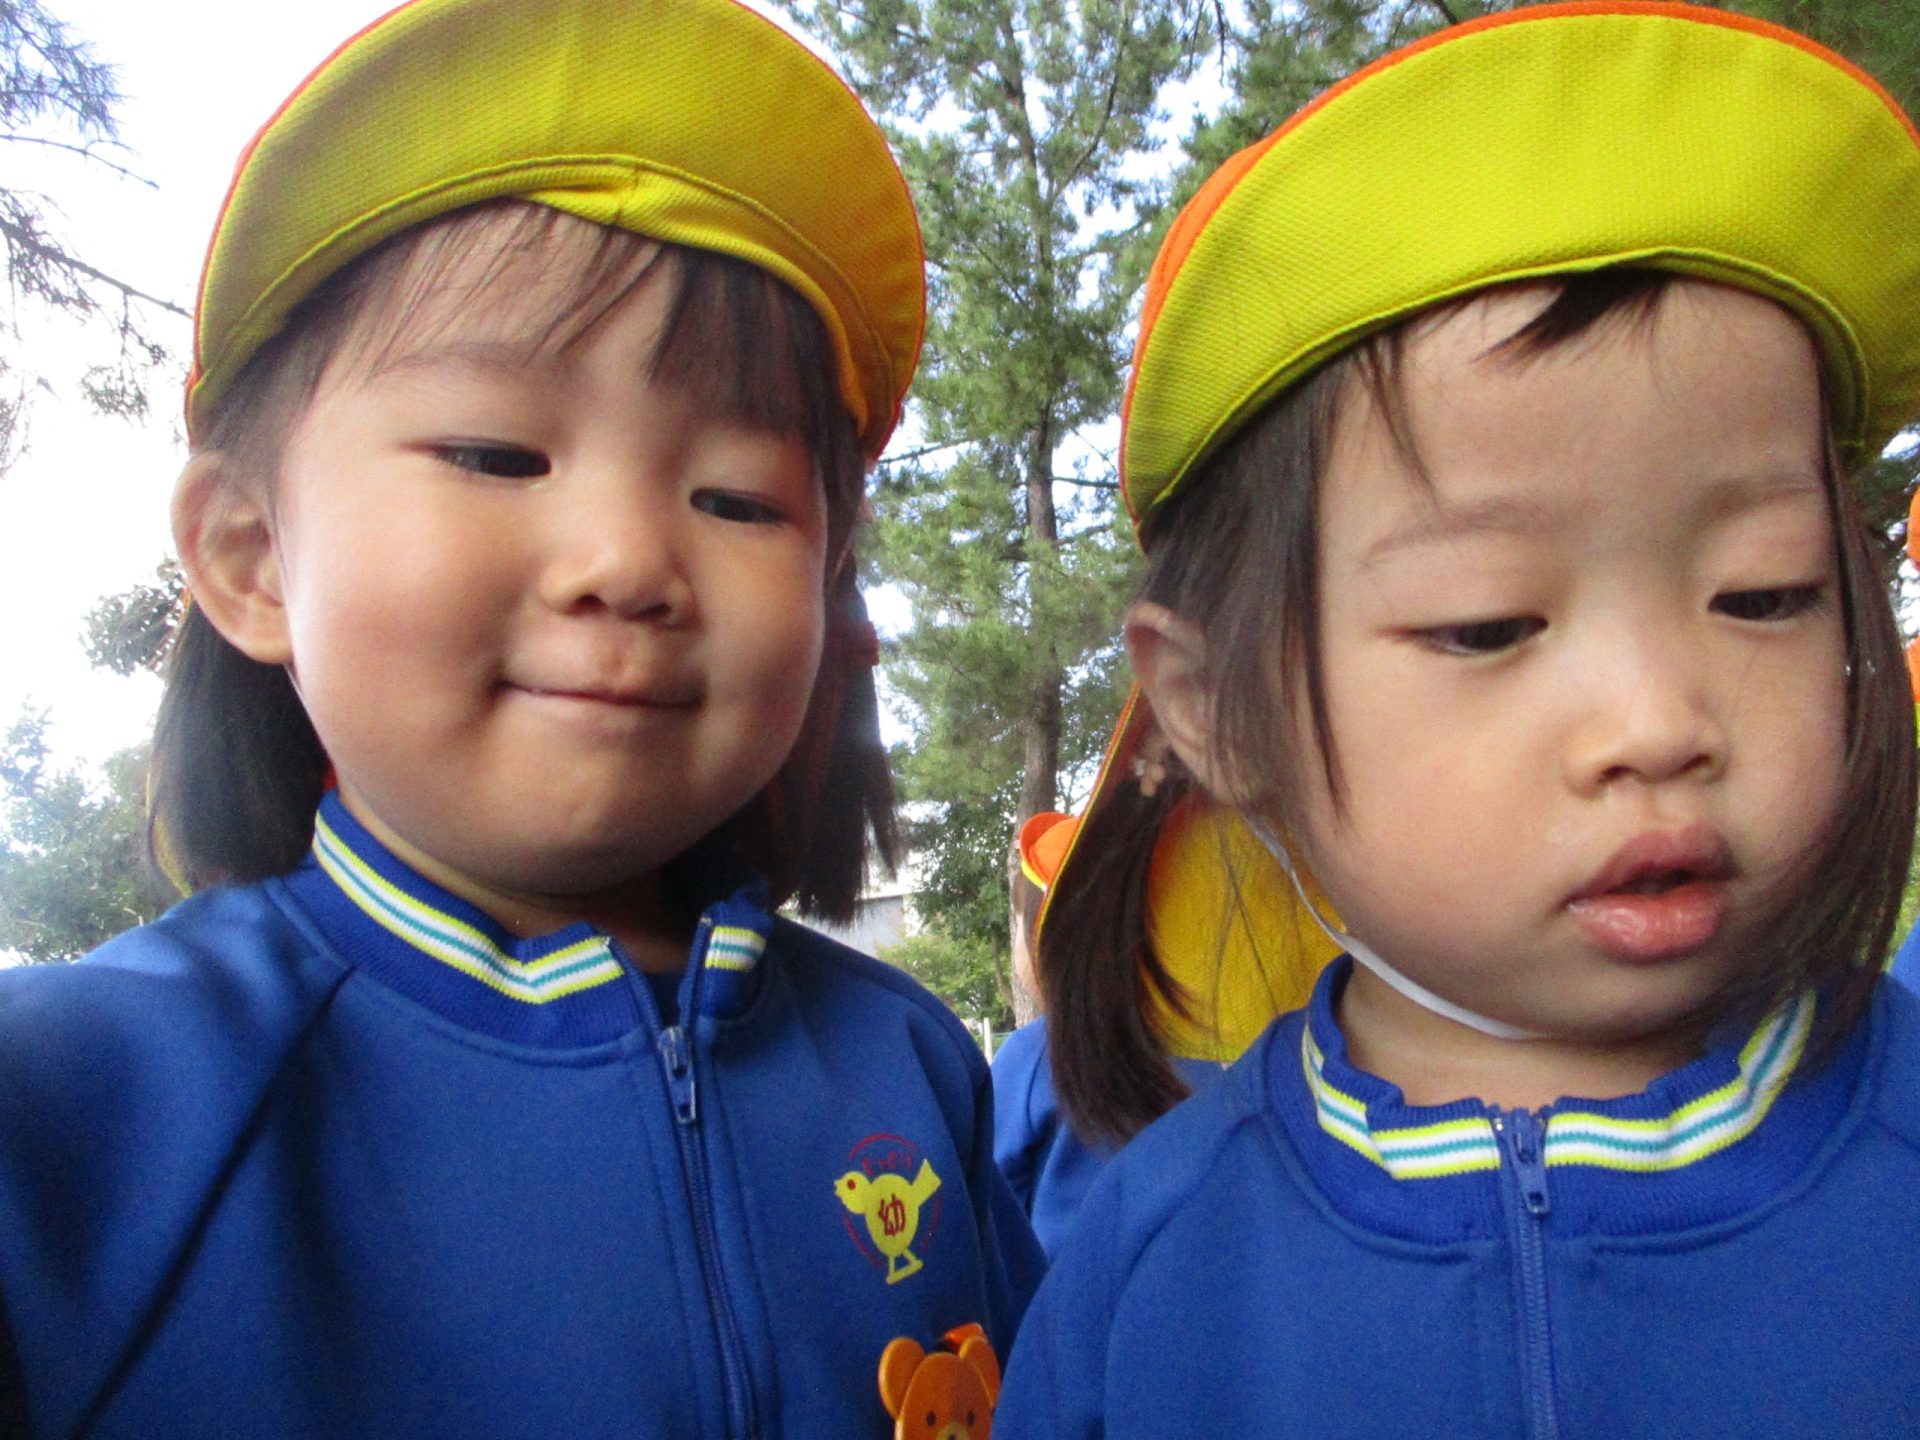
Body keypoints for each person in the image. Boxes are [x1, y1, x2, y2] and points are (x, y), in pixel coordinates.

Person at [0, 0, 1043, 1434]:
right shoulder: (77, 1108)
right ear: (250, 556)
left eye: (737, 498)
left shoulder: (909, 1062)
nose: (626, 560)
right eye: (497, 454)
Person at [997, 5, 1920, 1435]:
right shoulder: (1148, 1274)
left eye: (1765, 593)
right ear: (1214, 707)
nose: (1659, 723)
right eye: (1488, 623)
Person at [990, 805, 1337, 1254]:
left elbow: (992, 1198)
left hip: (1068, 1279)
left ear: (1043, 939)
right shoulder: (1226, 1046)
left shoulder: (1036, 1054)